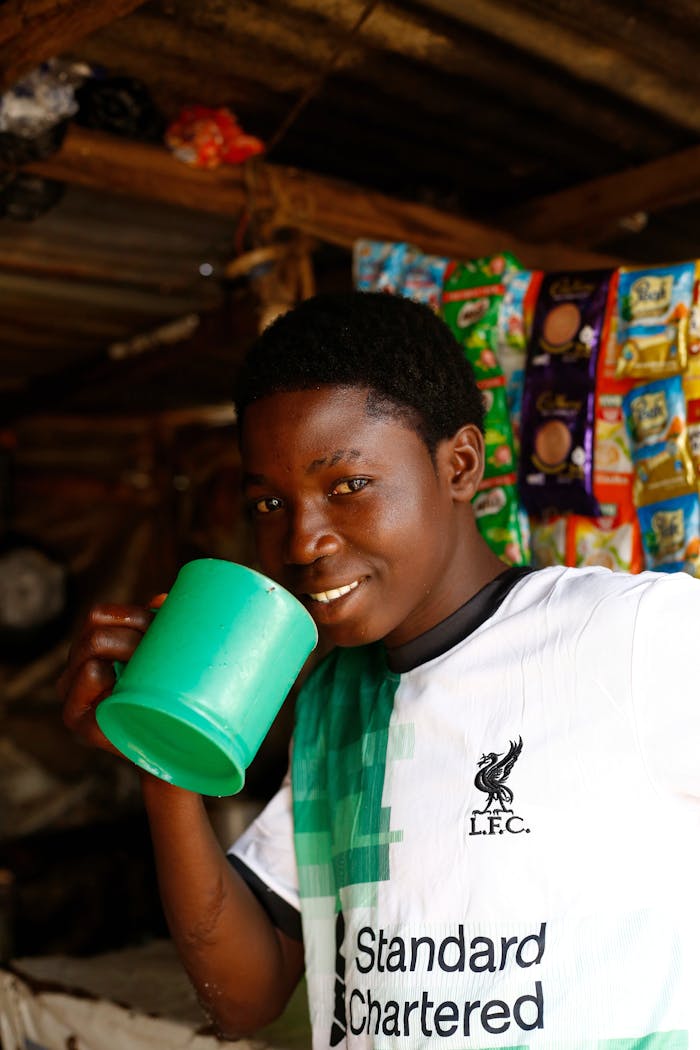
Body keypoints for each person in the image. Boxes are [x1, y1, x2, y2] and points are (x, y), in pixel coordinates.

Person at [60, 290, 700, 1050]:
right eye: (269, 502)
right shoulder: (340, 696)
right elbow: (246, 997)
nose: (302, 540)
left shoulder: (630, 634)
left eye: (346, 486)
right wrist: (162, 748)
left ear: (459, 464)